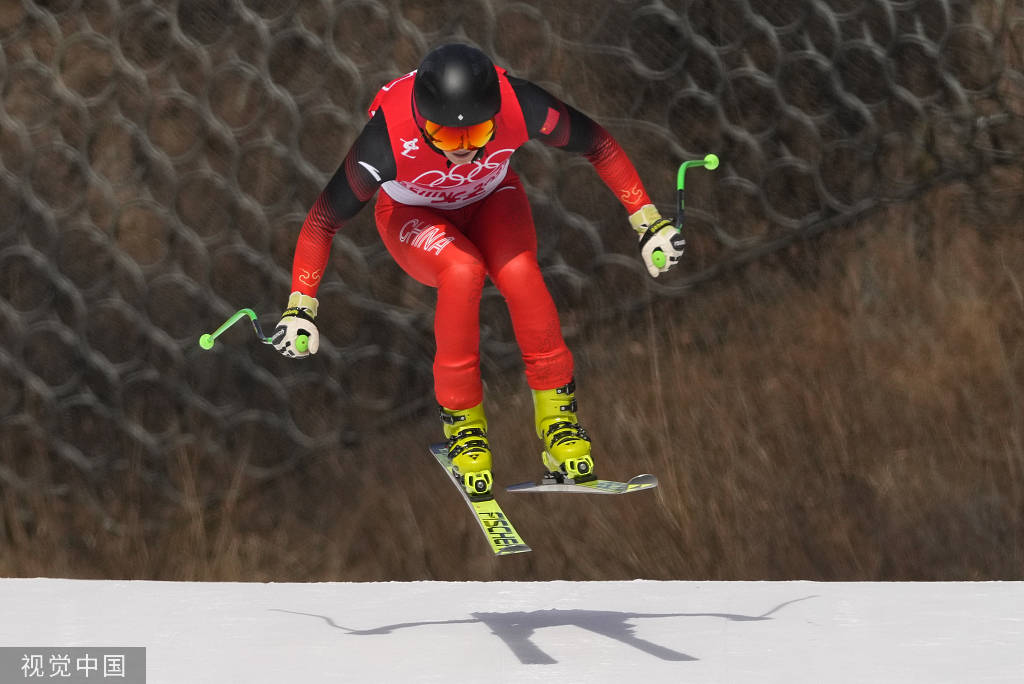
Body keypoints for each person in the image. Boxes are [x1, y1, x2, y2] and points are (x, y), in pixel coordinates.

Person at [272, 43, 684, 496]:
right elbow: (321, 222)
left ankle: (559, 424)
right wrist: (301, 306)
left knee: (521, 273)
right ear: (425, 124)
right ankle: (464, 427)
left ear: (495, 114)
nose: (465, 150)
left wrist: (647, 220)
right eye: (448, 138)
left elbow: (599, 144)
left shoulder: (520, 105)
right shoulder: (385, 141)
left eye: (479, 134)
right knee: (462, 270)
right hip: (412, 216)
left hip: (492, 199)